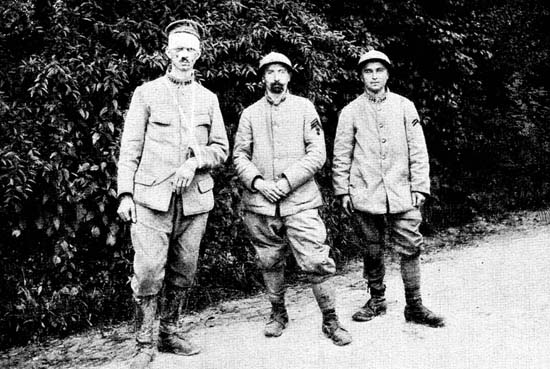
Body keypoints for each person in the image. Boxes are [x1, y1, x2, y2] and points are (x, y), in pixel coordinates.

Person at [116, 19, 229, 368]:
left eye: (190, 50)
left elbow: (221, 150)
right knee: (149, 270)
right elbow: (130, 148)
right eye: (178, 49)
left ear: (199, 54)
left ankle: (170, 331)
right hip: (151, 200)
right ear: (167, 51)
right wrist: (125, 194)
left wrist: (194, 162)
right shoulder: (146, 93)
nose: (184, 55)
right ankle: (143, 341)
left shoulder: (208, 99)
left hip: (194, 200)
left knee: (184, 269)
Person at [233, 52, 352, 346]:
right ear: (262, 78)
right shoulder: (250, 114)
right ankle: (278, 314)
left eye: (281, 72)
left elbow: (317, 154)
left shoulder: (304, 108)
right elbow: (239, 156)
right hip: (260, 203)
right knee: (269, 259)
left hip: (300, 201)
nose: (275, 77)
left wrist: (286, 182)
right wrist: (259, 182)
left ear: (289, 76)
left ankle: (331, 319)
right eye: (270, 72)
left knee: (315, 259)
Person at [332, 50, 445, 328]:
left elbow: (418, 150)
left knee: (410, 246)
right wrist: (343, 191)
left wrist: (420, 186)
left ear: (387, 74)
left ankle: (415, 305)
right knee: (371, 248)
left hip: (401, 190)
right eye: (368, 71)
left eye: (379, 71)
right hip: (365, 191)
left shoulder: (405, 106)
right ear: (360, 76)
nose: (374, 76)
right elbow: (341, 155)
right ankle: (377, 300)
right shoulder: (350, 112)